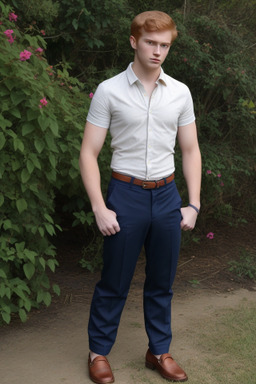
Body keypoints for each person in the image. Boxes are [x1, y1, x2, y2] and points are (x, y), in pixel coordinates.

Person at [79, 10, 201, 384]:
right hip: (125, 195)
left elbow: (191, 150)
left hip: (166, 196)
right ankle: (98, 352)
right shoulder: (110, 91)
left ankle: (158, 351)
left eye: (164, 45)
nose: (158, 51)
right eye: (151, 43)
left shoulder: (179, 92)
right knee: (115, 281)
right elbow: (88, 152)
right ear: (134, 42)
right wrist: (100, 207)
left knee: (162, 281)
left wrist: (193, 203)